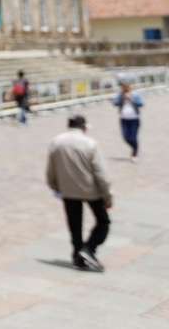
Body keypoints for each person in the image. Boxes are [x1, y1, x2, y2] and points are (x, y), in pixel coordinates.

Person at [46, 114, 112, 272]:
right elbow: (101, 173)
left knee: (74, 224)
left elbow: (51, 168)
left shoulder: (56, 142)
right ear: (83, 127)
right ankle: (88, 249)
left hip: (68, 190)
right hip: (91, 190)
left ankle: (78, 256)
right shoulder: (90, 143)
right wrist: (108, 195)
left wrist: (54, 186)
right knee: (103, 221)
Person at [113, 81, 143, 162]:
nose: (126, 88)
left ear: (130, 87)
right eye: (124, 87)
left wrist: (131, 99)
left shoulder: (135, 94)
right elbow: (115, 103)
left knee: (133, 137)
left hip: (134, 118)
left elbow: (141, 103)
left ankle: (135, 153)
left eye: (127, 87)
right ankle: (134, 148)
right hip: (124, 118)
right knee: (126, 137)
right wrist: (122, 99)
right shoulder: (120, 95)